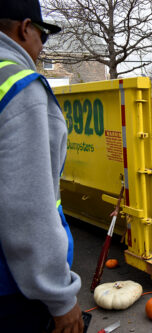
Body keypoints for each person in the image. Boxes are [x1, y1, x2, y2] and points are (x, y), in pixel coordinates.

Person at [0, 1, 83, 332]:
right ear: (25, 28)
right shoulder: (21, 89)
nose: (41, 47)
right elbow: (28, 207)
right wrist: (60, 298)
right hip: (12, 288)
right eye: (43, 35)